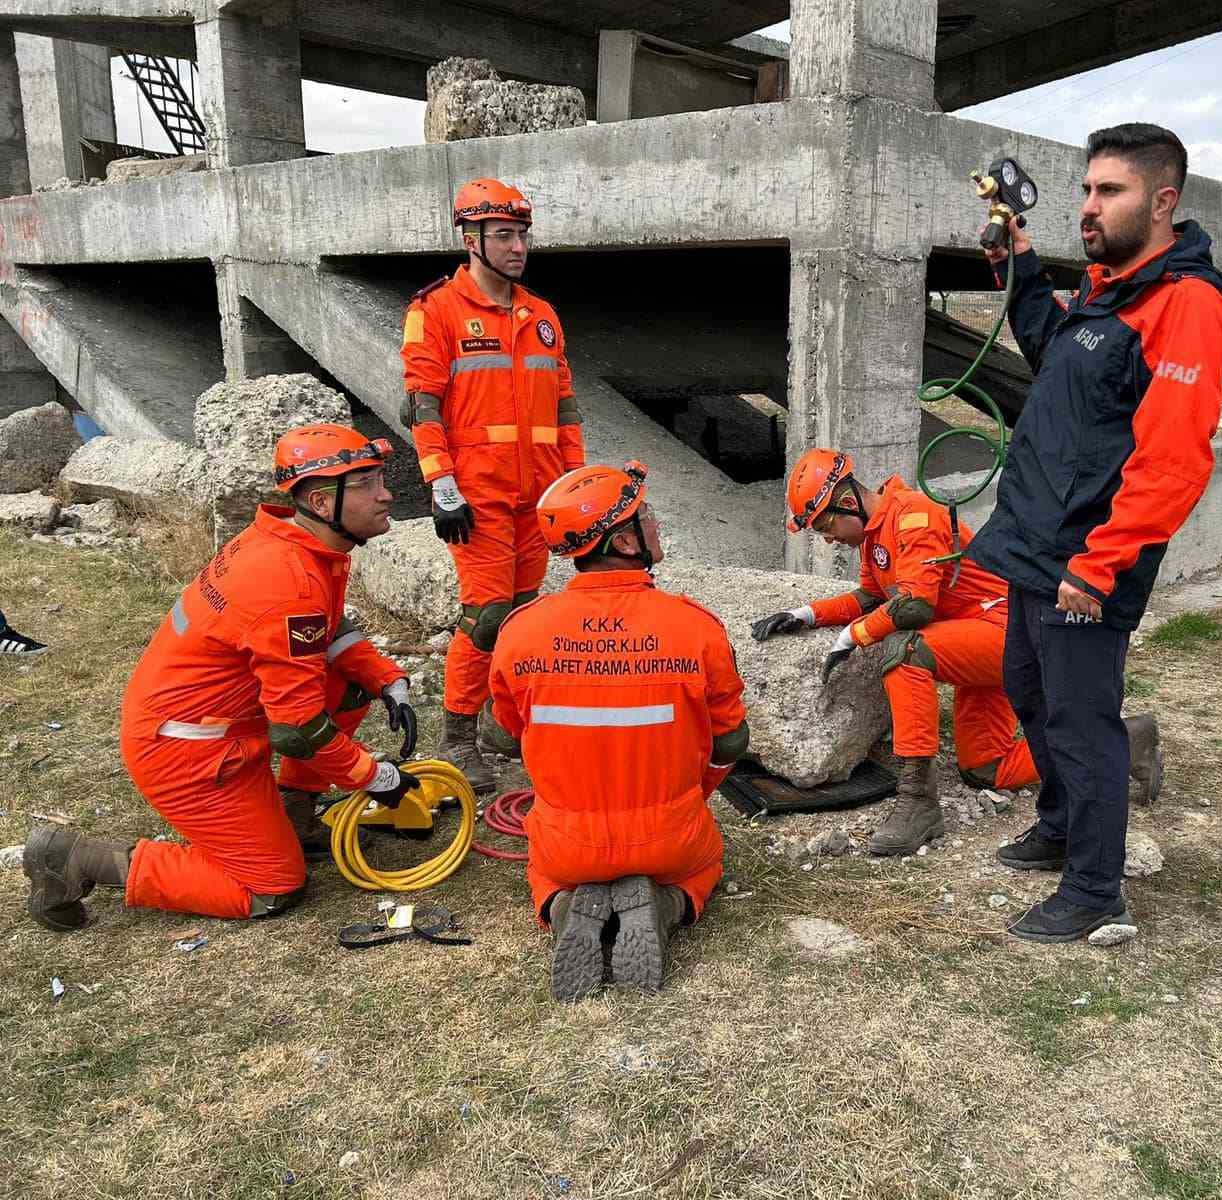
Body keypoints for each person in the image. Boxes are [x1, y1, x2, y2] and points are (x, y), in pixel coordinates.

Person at [965, 123, 1222, 943]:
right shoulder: (1107, 289)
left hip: (1089, 555)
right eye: (1087, 189)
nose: (1089, 206)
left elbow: (1173, 460)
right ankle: (1060, 825)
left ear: (1163, 202)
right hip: (1037, 540)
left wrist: (1101, 564)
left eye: (1110, 191)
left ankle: (1095, 889)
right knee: (1028, 690)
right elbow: (1055, 354)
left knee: (1082, 719)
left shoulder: (1187, 306)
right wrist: (1018, 265)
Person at [22, 425, 421, 930]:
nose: (386, 494)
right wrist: (374, 777)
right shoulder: (289, 580)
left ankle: (296, 813)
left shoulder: (290, 542)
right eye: (366, 484)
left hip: (199, 727)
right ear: (322, 503)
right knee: (272, 887)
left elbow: (327, 628)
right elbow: (298, 726)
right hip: (189, 752)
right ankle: (80, 860)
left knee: (349, 681)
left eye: (380, 479)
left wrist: (386, 679)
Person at [756, 449, 1163, 857]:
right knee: (986, 768)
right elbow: (869, 597)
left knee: (906, 649)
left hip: (1003, 634)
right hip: (972, 639)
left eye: (825, 525)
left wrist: (854, 635)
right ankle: (1124, 741)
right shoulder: (876, 533)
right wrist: (807, 614)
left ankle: (917, 801)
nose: (828, 538)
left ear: (847, 501)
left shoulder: (915, 516)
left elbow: (915, 606)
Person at [484, 461, 748, 1002]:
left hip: (568, 845)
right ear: (625, 541)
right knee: (703, 868)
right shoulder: (695, 627)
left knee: (546, 873)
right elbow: (731, 740)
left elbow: (505, 733)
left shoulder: (521, 630)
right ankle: (666, 905)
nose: (655, 522)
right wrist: (692, 797)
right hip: (671, 840)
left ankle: (564, 907)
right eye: (645, 514)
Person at [401, 177, 585, 797]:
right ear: (470, 239)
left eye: (522, 235)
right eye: (504, 235)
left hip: (540, 495)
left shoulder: (542, 315)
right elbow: (423, 405)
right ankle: (457, 736)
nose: (518, 247)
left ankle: (504, 721)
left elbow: (564, 408)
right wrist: (441, 484)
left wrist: (575, 482)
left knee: (525, 613)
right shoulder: (435, 311)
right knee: (486, 615)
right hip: (477, 496)